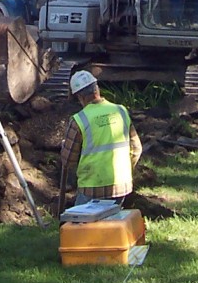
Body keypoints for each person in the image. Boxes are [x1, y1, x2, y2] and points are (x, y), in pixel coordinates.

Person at [59, 70, 142, 206]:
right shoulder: (121, 111)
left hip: (91, 188)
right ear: (97, 89)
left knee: (81, 225)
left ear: (80, 97)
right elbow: (137, 148)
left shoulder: (79, 120)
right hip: (121, 186)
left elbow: (68, 160)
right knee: (112, 224)